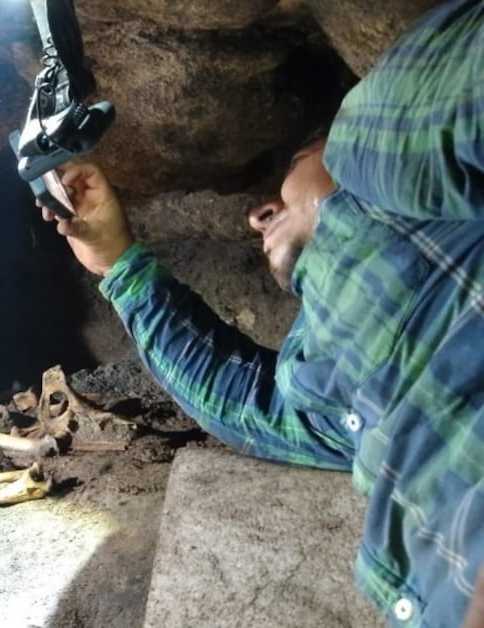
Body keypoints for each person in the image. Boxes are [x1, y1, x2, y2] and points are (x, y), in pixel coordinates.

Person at [40, 0, 484, 625]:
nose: (258, 212)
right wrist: (117, 261)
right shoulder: (329, 381)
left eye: (292, 172)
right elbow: (243, 404)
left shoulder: (380, 141)